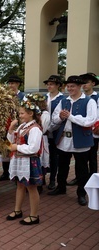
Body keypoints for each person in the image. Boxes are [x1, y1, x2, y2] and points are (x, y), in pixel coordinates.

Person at [48, 75, 97, 206]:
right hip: (64, 139)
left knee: (81, 169)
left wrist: (71, 117)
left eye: (72, 86)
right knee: (62, 166)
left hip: (81, 140)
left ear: (79, 86)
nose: (70, 88)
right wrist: (60, 117)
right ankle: (61, 187)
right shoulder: (64, 101)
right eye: (68, 86)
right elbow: (54, 119)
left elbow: (90, 120)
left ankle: (81, 193)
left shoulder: (89, 101)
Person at [6, 99, 43, 225]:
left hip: (29, 161)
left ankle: (34, 215)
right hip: (19, 159)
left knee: (31, 187)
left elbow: (34, 148)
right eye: (20, 113)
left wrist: (17, 147)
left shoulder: (35, 129)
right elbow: (11, 140)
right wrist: (11, 129)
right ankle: (17, 210)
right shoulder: (22, 126)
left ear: (30, 113)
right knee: (20, 185)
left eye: (22, 113)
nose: (20, 116)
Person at [0, 75, 25, 181]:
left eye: (12, 83)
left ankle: (15, 172)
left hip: (18, 125)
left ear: (18, 84)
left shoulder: (23, 96)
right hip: (6, 125)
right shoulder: (5, 96)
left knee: (15, 147)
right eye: (9, 83)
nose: (10, 86)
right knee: (5, 148)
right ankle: (5, 172)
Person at [25, 93, 50, 194]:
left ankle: (39, 184)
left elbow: (43, 128)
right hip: (30, 137)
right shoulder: (32, 114)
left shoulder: (45, 114)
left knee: (39, 160)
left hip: (40, 139)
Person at [44, 75, 65, 190]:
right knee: (42, 155)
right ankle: (41, 178)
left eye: (51, 84)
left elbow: (60, 118)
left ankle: (52, 179)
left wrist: (50, 129)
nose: (49, 86)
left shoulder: (62, 99)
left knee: (54, 156)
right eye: (48, 84)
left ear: (58, 85)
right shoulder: (43, 97)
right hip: (43, 132)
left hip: (56, 131)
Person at [80, 72, 99, 177]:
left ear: (93, 83)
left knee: (92, 156)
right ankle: (80, 177)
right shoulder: (80, 97)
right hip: (81, 130)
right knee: (81, 157)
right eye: (83, 83)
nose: (84, 85)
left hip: (93, 131)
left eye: (86, 82)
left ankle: (93, 177)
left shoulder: (97, 97)